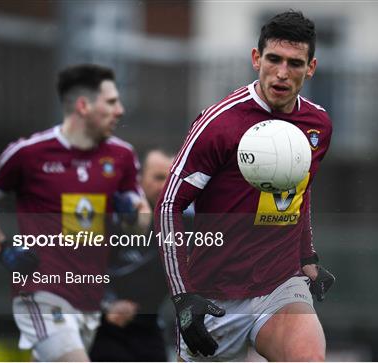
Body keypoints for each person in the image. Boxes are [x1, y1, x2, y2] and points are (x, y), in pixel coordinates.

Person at [155, 10, 335, 362]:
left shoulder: (318, 125)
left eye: (295, 63)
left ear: (311, 67)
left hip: (280, 284)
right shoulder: (219, 124)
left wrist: (306, 256)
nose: (282, 73)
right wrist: (182, 296)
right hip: (214, 298)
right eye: (274, 59)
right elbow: (168, 205)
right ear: (257, 59)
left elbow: (299, 189)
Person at [0, 64, 150, 362]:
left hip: (89, 299)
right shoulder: (29, 153)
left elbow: (143, 220)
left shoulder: (121, 156)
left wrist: (132, 213)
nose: (119, 110)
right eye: (111, 102)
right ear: (83, 105)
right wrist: (2, 246)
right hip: (41, 293)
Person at [90, 149, 172, 361]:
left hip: (149, 328)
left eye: (171, 179)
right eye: (158, 177)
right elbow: (76, 267)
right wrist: (108, 305)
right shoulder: (110, 216)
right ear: (139, 179)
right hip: (101, 327)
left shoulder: (181, 224)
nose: (164, 186)